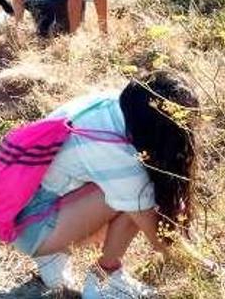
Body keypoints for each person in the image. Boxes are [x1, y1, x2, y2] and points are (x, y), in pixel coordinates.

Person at [11, 70, 203, 297]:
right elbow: (160, 241)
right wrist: (208, 269)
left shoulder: (118, 106)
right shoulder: (117, 155)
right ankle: (104, 280)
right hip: (31, 226)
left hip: (28, 207)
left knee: (132, 194)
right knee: (139, 197)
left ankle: (52, 256)